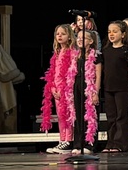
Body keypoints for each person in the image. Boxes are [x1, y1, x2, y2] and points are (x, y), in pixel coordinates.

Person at [41, 24, 99, 154]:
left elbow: (71, 73)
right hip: (57, 89)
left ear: (69, 37)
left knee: (68, 115)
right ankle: (62, 139)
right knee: (61, 115)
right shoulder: (56, 53)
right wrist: (52, 87)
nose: (60, 36)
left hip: (67, 90)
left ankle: (69, 141)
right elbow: (53, 72)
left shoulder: (73, 52)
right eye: (58, 34)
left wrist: (64, 88)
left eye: (63, 34)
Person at [100, 20, 128, 152]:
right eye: (109, 32)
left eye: (115, 31)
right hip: (108, 87)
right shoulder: (105, 50)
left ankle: (121, 144)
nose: (111, 34)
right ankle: (110, 143)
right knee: (111, 117)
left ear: (123, 34)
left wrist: (124, 75)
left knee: (120, 116)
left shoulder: (126, 49)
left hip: (122, 87)